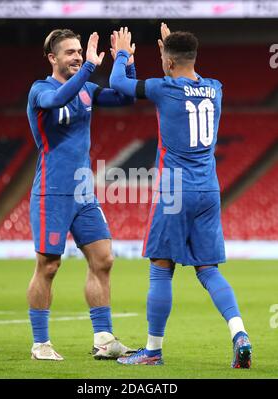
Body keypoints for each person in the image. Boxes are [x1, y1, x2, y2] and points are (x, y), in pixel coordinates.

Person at [109, 24, 252, 368]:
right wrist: (170, 48)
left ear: (169, 63)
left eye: (162, 58)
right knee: (208, 270)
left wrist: (123, 54)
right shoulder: (216, 89)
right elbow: (187, 77)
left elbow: (118, 85)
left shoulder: (163, 88)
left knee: (161, 269)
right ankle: (240, 334)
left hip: (175, 189)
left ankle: (152, 351)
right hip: (209, 188)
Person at [26, 28, 136, 361]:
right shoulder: (40, 90)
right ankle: (40, 344)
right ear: (52, 58)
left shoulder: (87, 89)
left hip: (84, 193)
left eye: (79, 52)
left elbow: (126, 98)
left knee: (103, 259)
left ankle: (104, 338)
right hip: (52, 191)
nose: (76, 57)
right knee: (48, 266)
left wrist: (124, 60)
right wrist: (89, 66)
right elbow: (57, 100)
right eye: (70, 52)